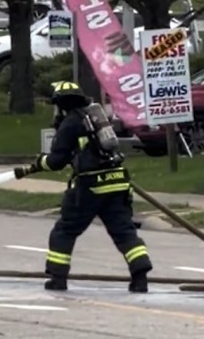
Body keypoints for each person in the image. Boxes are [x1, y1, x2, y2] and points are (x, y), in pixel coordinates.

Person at [15, 81, 152, 293]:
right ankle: (140, 277)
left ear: (61, 105)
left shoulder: (70, 123)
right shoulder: (96, 118)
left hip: (89, 186)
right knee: (124, 232)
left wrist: (39, 163)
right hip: (117, 181)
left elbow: (56, 161)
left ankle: (57, 279)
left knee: (65, 231)